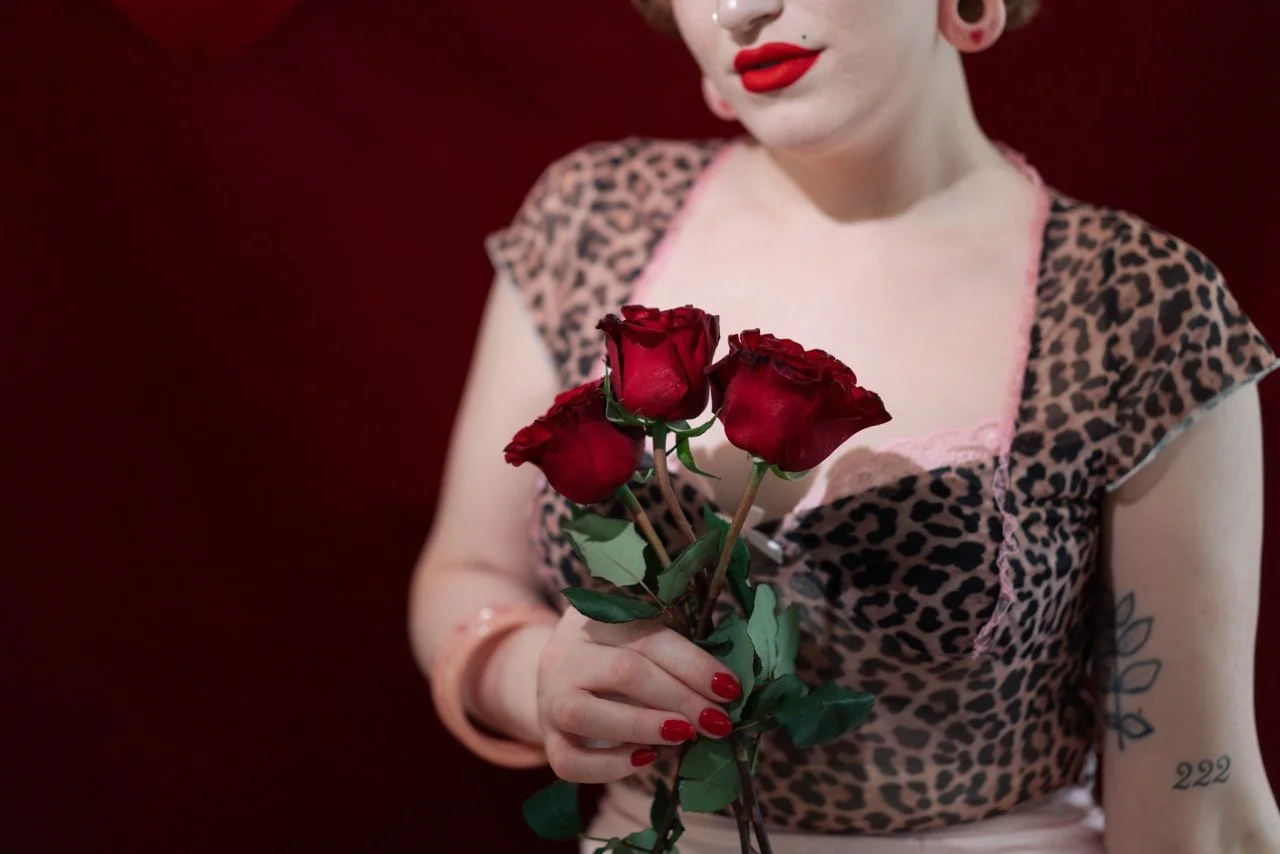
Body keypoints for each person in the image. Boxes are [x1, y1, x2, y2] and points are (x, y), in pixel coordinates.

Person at [409, 1, 1280, 851]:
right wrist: (538, 682)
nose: (740, 11)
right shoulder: (590, 217)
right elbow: (468, 568)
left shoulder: (1138, 306)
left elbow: (1196, 805)